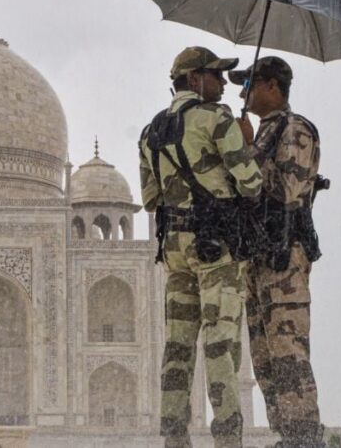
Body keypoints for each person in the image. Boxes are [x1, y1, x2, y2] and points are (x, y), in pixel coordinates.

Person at [139, 46, 263, 448]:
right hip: (214, 249)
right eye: (215, 75)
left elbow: (150, 198)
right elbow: (251, 184)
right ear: (194, 79)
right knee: (220, 341)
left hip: (174, 249)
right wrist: (245, 142)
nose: (224, 84)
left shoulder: (151, 131)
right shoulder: (217, 119)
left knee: (177, 343)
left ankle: (174, 437)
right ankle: (228, 436)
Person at [229, 56, 324, 448]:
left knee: (288, 350)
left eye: (249, 84)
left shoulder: (296, 129)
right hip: (257, 257)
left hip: (284, 254)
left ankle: (305, 437)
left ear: (272, 87)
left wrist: (248, 149)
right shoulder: (265, 133)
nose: (243, 92)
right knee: (264, 357)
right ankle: (286, 435)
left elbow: (286, 190)